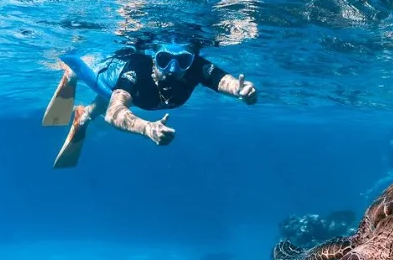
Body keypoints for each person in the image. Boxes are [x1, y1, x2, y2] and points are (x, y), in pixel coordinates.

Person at [41, 43, 257, 169]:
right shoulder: (137, 68)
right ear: (154, 59)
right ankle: (72, 75)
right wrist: (147, 129)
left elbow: (221, 79)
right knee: (106, 94)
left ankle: (84, 116)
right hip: (106, 81)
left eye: (182, 61)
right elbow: (114, 112)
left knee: (119, 102)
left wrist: (240, 91)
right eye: (164, 60)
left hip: (135, 97)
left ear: (190, 61)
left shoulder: (195, 67)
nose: (172, 68)